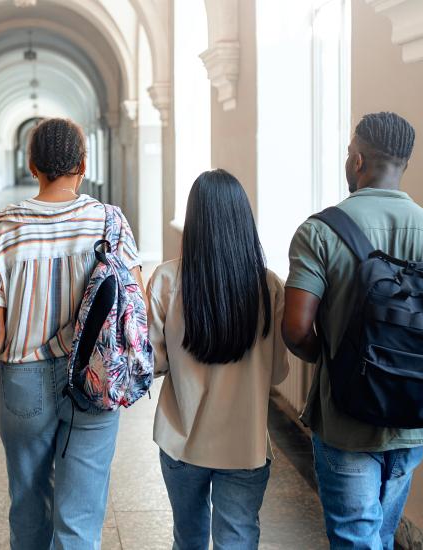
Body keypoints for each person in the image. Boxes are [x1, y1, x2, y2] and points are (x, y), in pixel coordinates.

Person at [282, 112, 423, 550]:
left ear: (357, 160)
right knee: (380, 535)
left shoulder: (320, 232)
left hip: (346, 419)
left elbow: (297, 330)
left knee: (355, 538)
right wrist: (415, 363)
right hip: (416, 418)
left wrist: (338, 356)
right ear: (404, 163)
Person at [0, 117, 143, 550]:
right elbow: (136, 304)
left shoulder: (5, 227)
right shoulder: (109, 222)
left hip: (23, 383)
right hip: (95, 376)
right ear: (83, 163)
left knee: (27, 504)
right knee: (79, 517)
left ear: (31, 164)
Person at [147, 169, 288, 550]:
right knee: (238, 538)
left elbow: (154, 363)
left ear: (193, 220)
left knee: (188, 538)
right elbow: (276, 372)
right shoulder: (268, 285)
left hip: (181, 439)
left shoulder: (165, 280)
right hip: (245, 444)